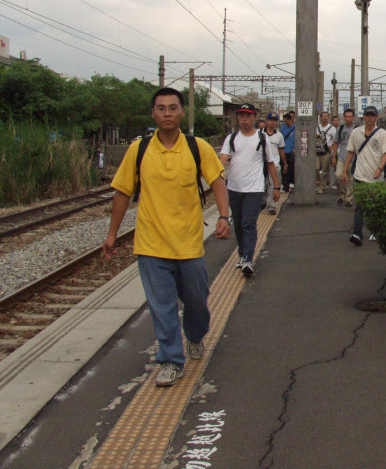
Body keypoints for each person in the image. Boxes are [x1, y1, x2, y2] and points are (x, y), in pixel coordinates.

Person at [102, 87, 230, 388]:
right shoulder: (139, 149)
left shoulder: (197, 147)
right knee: (162, 306)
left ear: (182, 112)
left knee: (197, 302)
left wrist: (224, 217)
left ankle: (195, 335)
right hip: (151, 243)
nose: (167, 113)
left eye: (173, 108)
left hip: (188, 243)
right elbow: (122, 192)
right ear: (153, 113)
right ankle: (171, 360)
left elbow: (217, 181)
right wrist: (112, 234)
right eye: (161, 108)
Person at [220, 103, 280, 277]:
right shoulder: (231, 139)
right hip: (234, 188)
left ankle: (248, 258)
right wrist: (215, 173)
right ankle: (241, 254)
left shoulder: (262, 139)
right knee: (238, 224)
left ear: (254, 117)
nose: (243, 119)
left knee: (248, 223)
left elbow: (270, 163)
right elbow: (222, 159)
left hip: (254, 189)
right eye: (241, 115)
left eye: (247, 115)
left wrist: (276, 187)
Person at [342, 105, 386, 246]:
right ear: (363, 117)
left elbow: (385, 153)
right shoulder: (356, 133)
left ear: (377, 117)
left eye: (372, 116)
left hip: (375, 177)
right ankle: (357, 234)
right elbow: (350, 151)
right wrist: (345, 170)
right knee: (359, 206)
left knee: (374, 205)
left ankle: (375, 230)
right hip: (359, 176)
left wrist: (380, 168)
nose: (370, 118)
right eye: (367, 115)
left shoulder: (382, 134)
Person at [264, 111, 288, 215]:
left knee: (272, 186)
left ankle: (271, 206)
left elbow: (281, 151)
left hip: (275, 164)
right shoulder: (259, 134)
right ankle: (262, 203)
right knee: (262, 186)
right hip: (261, 165)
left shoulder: (279, 136)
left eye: (274, 121)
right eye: (270, 120)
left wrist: (285, 164)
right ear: (267, 121)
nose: (272, 123)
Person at [332, 108, 356, 206]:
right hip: (341, 157)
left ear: (353, 117)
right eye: (346, 116)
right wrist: (334, 156)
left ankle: (349, 199)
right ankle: (343, 194)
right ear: (344, 117)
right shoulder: (340, 128)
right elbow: (335, 142)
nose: (348, 118)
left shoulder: (357, 129)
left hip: (353, 159)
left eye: (350, 116)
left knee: (350, 179)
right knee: (338, 175)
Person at [316, 111, 335, 194]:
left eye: (326, 116)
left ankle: (322, 186)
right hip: (317, 151)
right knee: (315, 168)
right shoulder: (316, 127)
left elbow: (335, 140)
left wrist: (332, 147)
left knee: (325, 170)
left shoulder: (332, 128)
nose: (325, 118)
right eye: (323, 116)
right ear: (321, 117)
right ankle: (318, 183)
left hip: (326, 152)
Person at [280, 112, 296, 192]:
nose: (286, 122)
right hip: (284, 151)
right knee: (284, 168)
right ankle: (285, 186)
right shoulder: (283, 128)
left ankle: (292, 182)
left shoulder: (296, 128)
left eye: (286, 121)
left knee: (292, 168)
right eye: (284, 121)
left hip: (292, 151)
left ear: (291, 120)